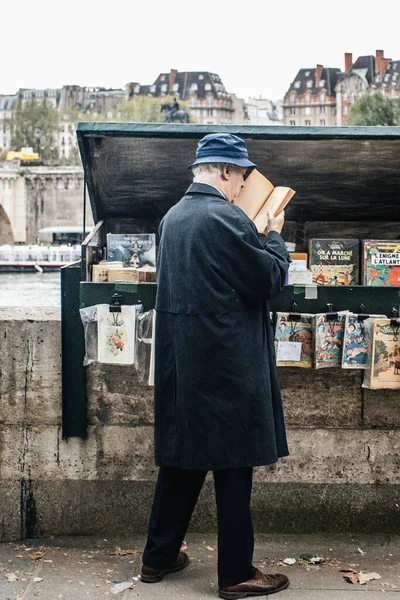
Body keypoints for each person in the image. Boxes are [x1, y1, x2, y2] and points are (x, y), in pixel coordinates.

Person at [141, 133, 291, 598]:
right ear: (225, 171)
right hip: (226, 362)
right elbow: (267, 279)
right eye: (242, 174)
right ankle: (236, 574)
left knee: (183, 460)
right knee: (233, 464)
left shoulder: (174, 217)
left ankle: (157, 557)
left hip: (184, 362)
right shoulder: (225, 218)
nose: (242, 183)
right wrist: (273, 234)